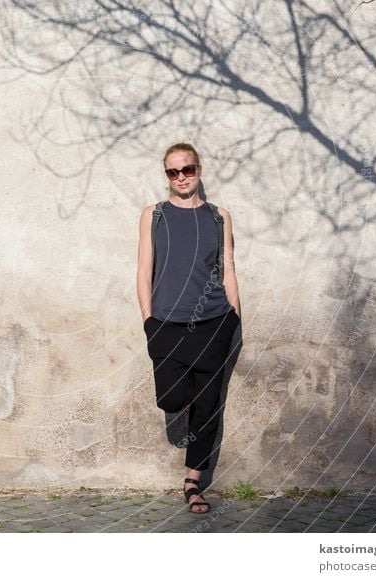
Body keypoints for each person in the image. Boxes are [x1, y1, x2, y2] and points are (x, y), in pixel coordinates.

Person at [136, 143, 242, 514]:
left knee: (209, 407)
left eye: (188, 169)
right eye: (173, 172)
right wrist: (149, 321)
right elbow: (143, 271)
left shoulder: (219, 217)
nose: (181, 177)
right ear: (166, 175)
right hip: (166, 323)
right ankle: (185, 412)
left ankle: (193, 482)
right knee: (169, 398)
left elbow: (228, 270)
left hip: (214, 322)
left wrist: (234, 320)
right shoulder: (155, 215)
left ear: (199, 169)